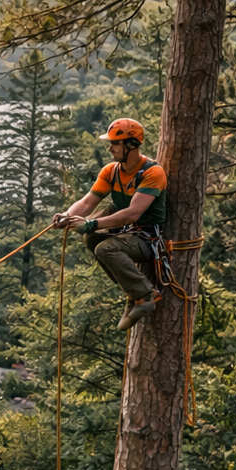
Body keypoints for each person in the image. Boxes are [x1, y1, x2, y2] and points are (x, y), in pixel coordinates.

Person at [52, 118, 168, 331]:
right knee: (91, 238)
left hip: (147, 237)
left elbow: (132, 214)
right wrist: (67, 216)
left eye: (115, 143)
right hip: (126, 229)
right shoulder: (112, 171)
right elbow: (88, 202)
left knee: (105, 248)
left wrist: (91, 223)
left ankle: (144, 295)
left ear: (131, 145)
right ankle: (133, 292)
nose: (110, 148)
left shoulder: (153, 173)